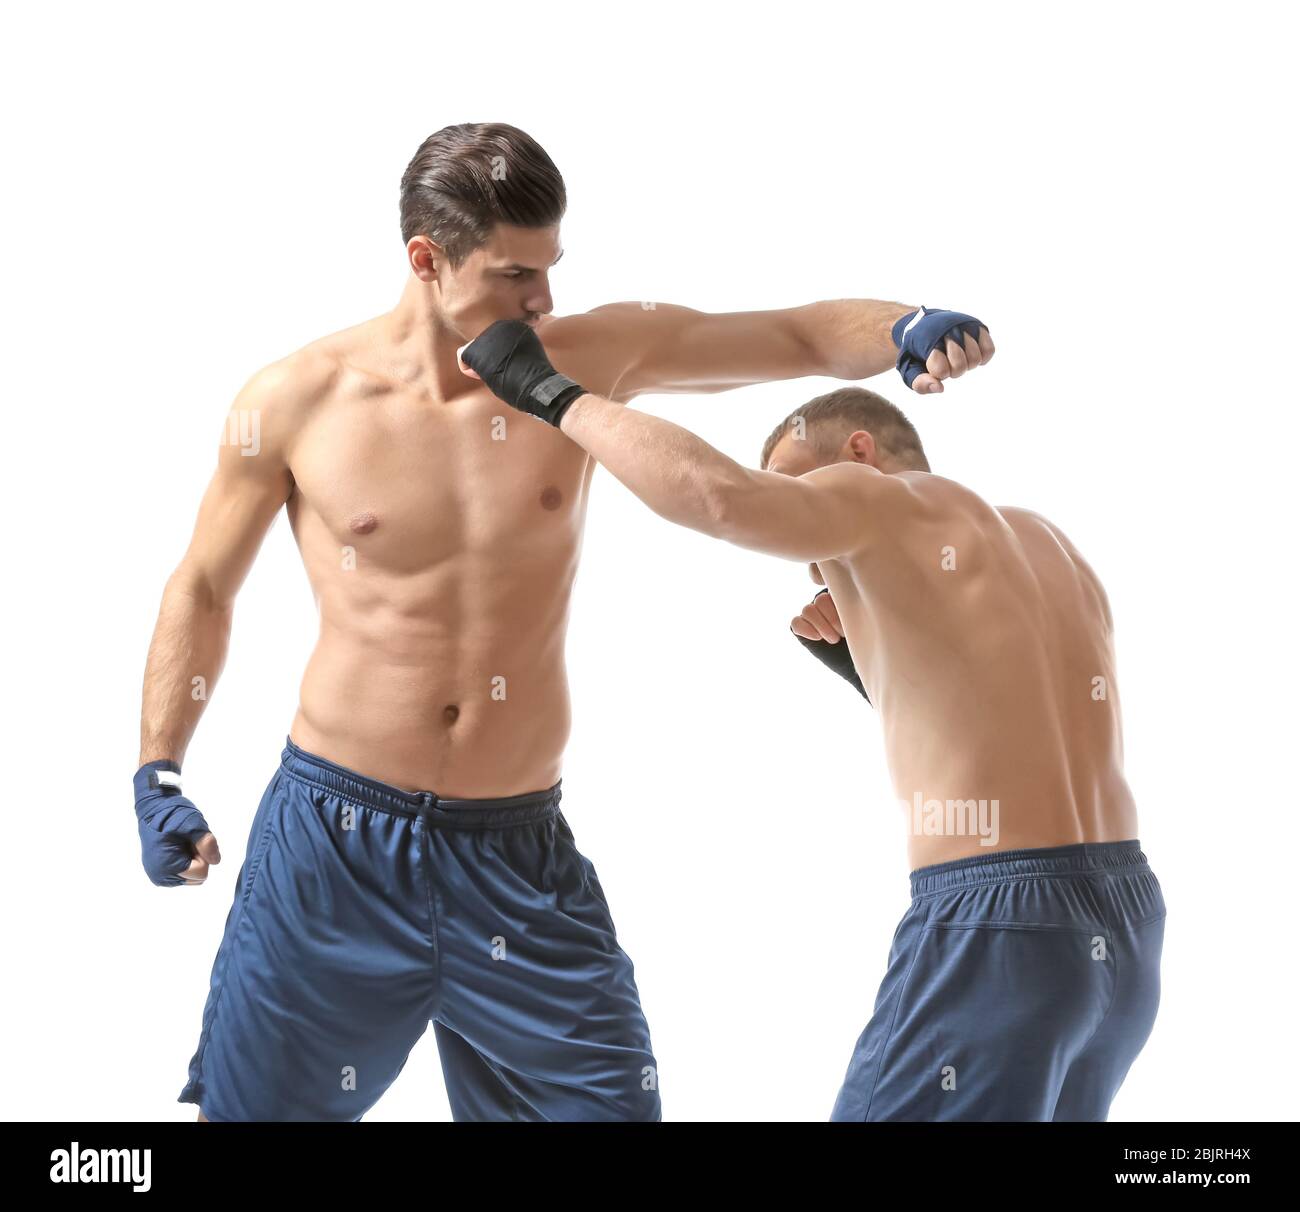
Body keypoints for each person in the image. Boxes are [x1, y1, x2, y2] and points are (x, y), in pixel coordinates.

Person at [133, 121, 992, 1121]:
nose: (541, 301)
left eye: (550, 269)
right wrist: (158, 769)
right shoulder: (294, 401)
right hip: (333, 852)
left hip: (516, 855)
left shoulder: (586, 359)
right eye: (512, 276)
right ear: (425, 259)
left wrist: (904, 326)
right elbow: (201, 587)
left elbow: (792, 334)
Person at [458, 318, 1165, 1122]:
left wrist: (553, 396)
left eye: (800, 487)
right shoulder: (1047, 545)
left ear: (859, 453)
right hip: (1125, 925)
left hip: (1000, 925)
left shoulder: (872, 496)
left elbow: (718, 499)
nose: (809, 547)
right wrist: (870, 666)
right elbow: (1021, 725)